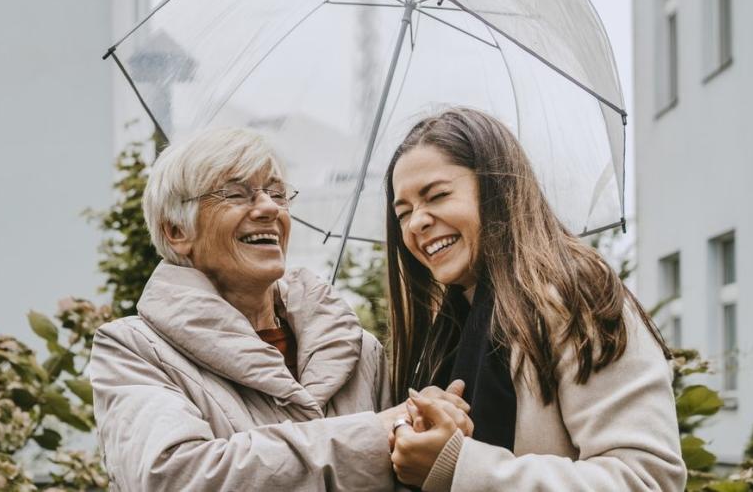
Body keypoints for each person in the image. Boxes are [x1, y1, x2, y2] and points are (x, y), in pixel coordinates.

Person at [89, 126, 469, 491]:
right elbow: (173, 478)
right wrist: (375, 432)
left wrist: (425, 433)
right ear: (177, 232)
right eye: (236, 194)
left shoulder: (358, 348)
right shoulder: (133, 349)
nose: (269, 208)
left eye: (277, 193)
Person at [383, 108, 686, 491]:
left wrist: (457, 466)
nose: (416, 223)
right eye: (403, 212)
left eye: (438, 195)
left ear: (497, 187)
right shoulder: (450, 325)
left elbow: (646, 479)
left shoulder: (576, 296)